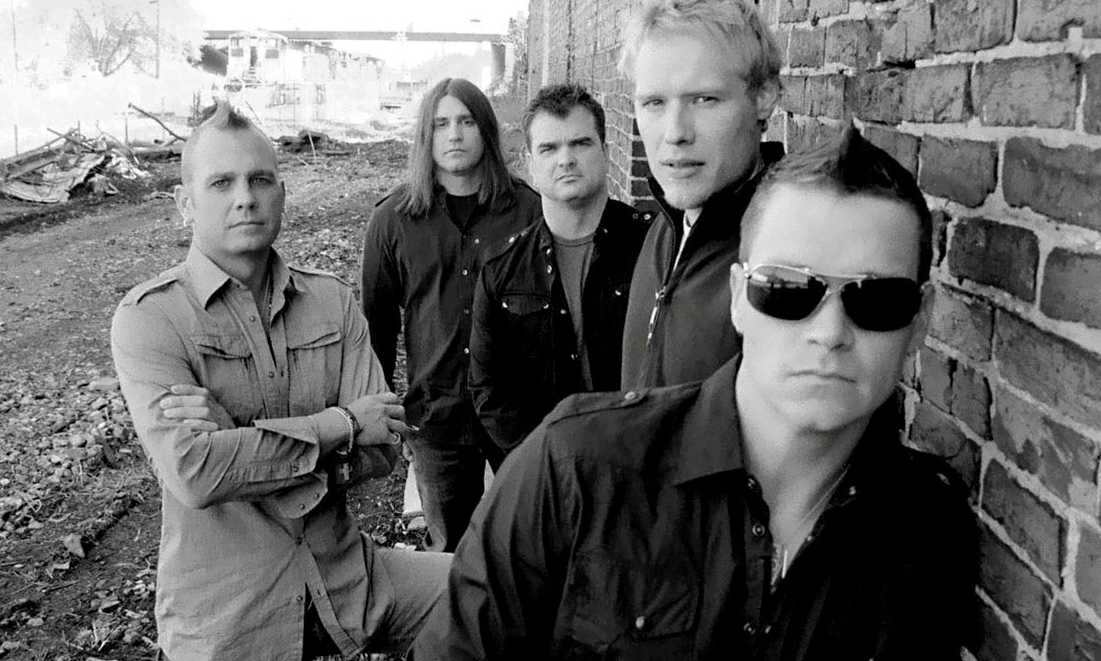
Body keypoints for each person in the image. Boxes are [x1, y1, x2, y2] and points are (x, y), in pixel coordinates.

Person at [411, 125, 978, 660]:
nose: (829, 333)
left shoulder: (928, 528)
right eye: (786, 288)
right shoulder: (576, 470)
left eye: (877, 299)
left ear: (920, 320)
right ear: (739, 298)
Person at [110, 102, 449, 661]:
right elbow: (196, 474)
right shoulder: (150, 318)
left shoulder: (331, 301)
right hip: (227, 619)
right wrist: (340, 426)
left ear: (283, 194)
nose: (245, 197)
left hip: (350, 578)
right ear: (184, 204)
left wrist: (239, 441)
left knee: (500, 591)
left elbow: (383, 449)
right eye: (221, 182)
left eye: (260, 179)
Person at [361, 78, 541, 552]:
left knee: (527, 540)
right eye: (441, 124)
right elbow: (376, 326)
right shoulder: (393, 220)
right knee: (450, 552)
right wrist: (385, 415)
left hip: (517, 414)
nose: (454, 134)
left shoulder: (529, 211)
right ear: (426, 135)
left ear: (486, 131)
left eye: (466, 121)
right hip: (436, 417)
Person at [468, 83, 650, 466]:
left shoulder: (652, 248)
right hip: (546, 472)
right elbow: (489, 391)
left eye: (580, 143)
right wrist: (548, 463)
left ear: (605, 151)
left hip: (640, 464)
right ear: (530, 163)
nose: (565, 159)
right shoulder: (501, 270)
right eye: (549, 148)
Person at [619, 0, 786, 389]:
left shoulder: (787, 261)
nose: (675, 132)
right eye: (654, 103)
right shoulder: (665, 228)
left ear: (764, 97)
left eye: (704, 99)